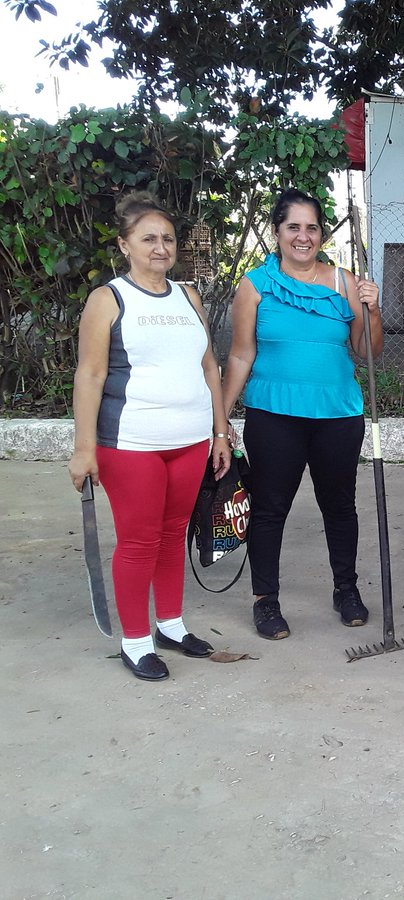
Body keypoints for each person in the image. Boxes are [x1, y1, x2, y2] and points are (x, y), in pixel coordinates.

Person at [68, 191, 231, 681]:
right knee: (139, 541)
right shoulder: (108, 299)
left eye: (167, 239)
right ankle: (135, 641)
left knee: (171, 534)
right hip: (130, 443)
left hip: (190, 439)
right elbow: (90, 375)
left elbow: (209, 366)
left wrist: (221, 431)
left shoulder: (189, 296)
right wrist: (83, 449)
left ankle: (171, 625)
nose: (160, 247)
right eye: (148, 239)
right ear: (125, 245)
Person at [221, 188, 382, 640]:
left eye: (312, 227)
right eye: (293, 227)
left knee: (340, 506)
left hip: (337, 412)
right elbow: (239, 356)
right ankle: (265, 600)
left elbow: (368, 351)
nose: (303, 236)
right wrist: (220, 422)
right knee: (271, 508)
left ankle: (345, 589)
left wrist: (372, 309)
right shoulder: (255, 286)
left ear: (321, 234)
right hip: (274, 414)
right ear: (277, 232)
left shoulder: (345, 283)